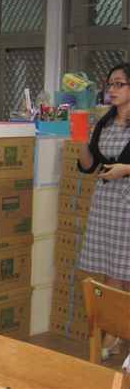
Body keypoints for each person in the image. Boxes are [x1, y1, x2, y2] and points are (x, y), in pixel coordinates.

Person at [77, 62, 130, 363]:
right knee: (111, 271)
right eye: (109, 84)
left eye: (118, 84)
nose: (112, 89)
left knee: (127, 272)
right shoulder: (105, 122)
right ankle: (114, 335)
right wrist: (79, 140)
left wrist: (126, 169)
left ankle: (118, 335)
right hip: (107, 201)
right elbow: (89, 166)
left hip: (128, 202)